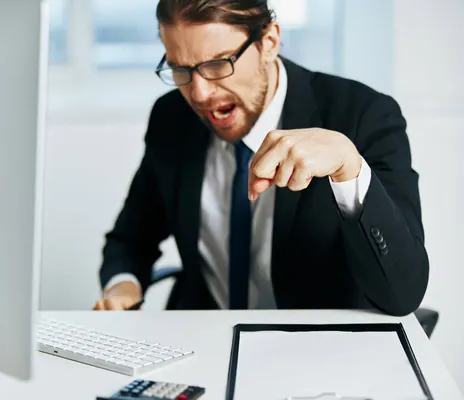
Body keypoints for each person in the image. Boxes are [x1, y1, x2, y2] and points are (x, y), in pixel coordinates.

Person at [92, 0, 429, 316]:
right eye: (180, 69)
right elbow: (132, 237)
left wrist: (349, 170)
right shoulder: (171, 117)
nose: (199, 94)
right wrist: (123, 287)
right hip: (203, 343)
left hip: (318, 354)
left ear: (269, 42)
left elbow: (403, 293)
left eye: (216, 65)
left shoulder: (364, 114)